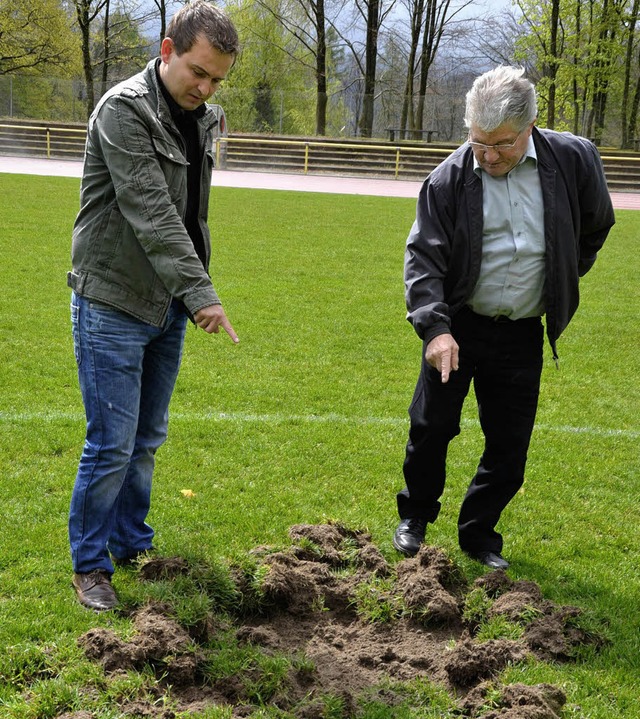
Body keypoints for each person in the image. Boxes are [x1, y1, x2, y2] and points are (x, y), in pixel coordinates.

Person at [393, 66, 615, 569]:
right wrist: (436, 329)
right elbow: (422, 258)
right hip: (460, 326)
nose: (489, 156)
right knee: (430, 427)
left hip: (521, 332)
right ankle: (416, 517)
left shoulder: (575, 159)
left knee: (510, 445)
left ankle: (478, 534)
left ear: (532, 126)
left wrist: (561, 273)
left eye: (502, 144)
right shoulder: (448, 179)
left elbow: (596, 225)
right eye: (478, 144)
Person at [67, 1, 240, 610]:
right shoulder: (123, 112)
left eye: (217, 78)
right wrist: (204, 295)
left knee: (146, 438)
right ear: (167, 50)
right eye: (197, 70)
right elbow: (155, 217)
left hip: (167, 305)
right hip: (113, 298)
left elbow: (192, 215)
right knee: (111, 442)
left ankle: (131, 542)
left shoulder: (207, 118)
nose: (205, 86)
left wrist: (187, 294)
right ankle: (90, 566)